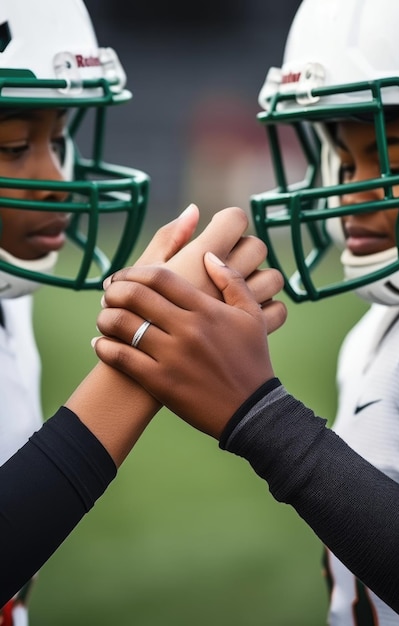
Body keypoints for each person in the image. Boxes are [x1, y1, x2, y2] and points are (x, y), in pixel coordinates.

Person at [92, 0, 399, 624]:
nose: (351, 190)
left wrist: (265, 420)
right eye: (344, 158)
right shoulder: (377, 327)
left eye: (391, 153)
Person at [0, 0, 283, 620]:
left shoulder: (9, 307)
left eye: (59, 136)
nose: (56, 174)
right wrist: (147, 350)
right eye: (17, 144)